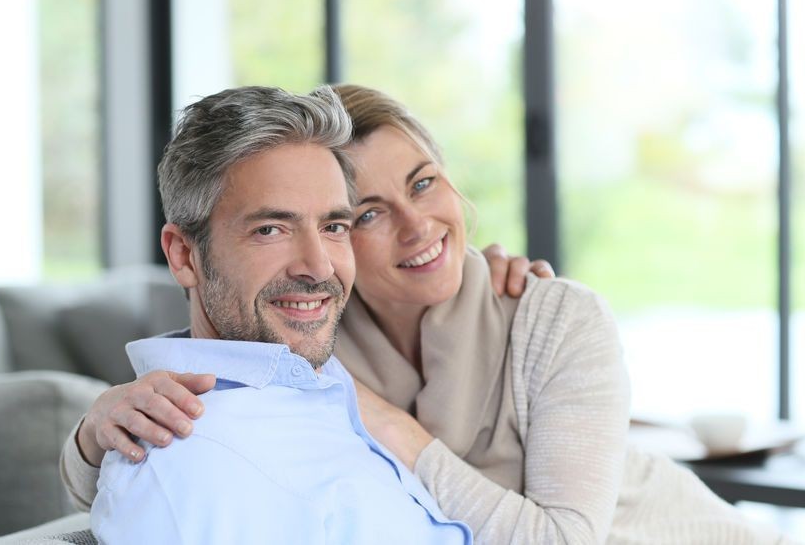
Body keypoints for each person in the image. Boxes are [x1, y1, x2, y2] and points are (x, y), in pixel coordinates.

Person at [64, 84, 794, 544]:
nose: (420, 227)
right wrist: (95, 434)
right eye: (372, 213)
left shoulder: (551, 317)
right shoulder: (313, 331)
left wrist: (392, 425)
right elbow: (217, 393)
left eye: (425, 183)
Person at [88, 85, 472, 544]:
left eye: (334, 227)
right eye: (271, 229)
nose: (318, 267)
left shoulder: (318, 384)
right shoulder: (192, 462)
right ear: (184, 256)